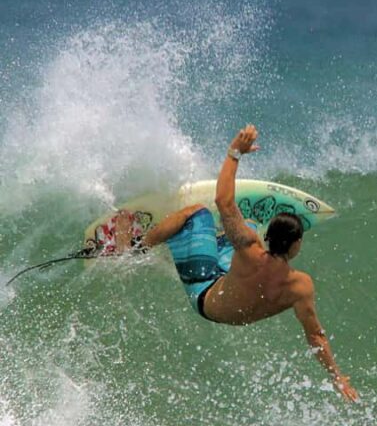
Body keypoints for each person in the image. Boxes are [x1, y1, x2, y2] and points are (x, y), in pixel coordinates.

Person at [117, 125, 358, 402]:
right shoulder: (301, 286)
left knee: (196, 212)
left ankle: (134, 249)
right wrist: (337, 377)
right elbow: (316, 337)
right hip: (231, 303)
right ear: (296, 245)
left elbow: (223, 200)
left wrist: (235, 153)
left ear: (269, 238)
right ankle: (199, 240)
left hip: (205, 293)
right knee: (246, 225)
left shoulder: (250, 250)